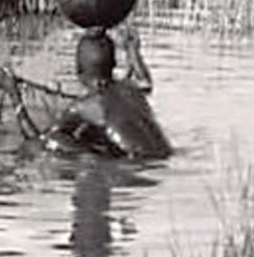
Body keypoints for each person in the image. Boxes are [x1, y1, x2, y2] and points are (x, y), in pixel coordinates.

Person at [16, 24, 171, 161]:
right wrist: (132, 50)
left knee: (53, 140)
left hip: (137, 165)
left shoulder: (84, 106)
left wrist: (13, 94)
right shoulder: (130, 87)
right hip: (166, 155)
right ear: (114, 64)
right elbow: (145, 82)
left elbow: (38, 139)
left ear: (78, 70)